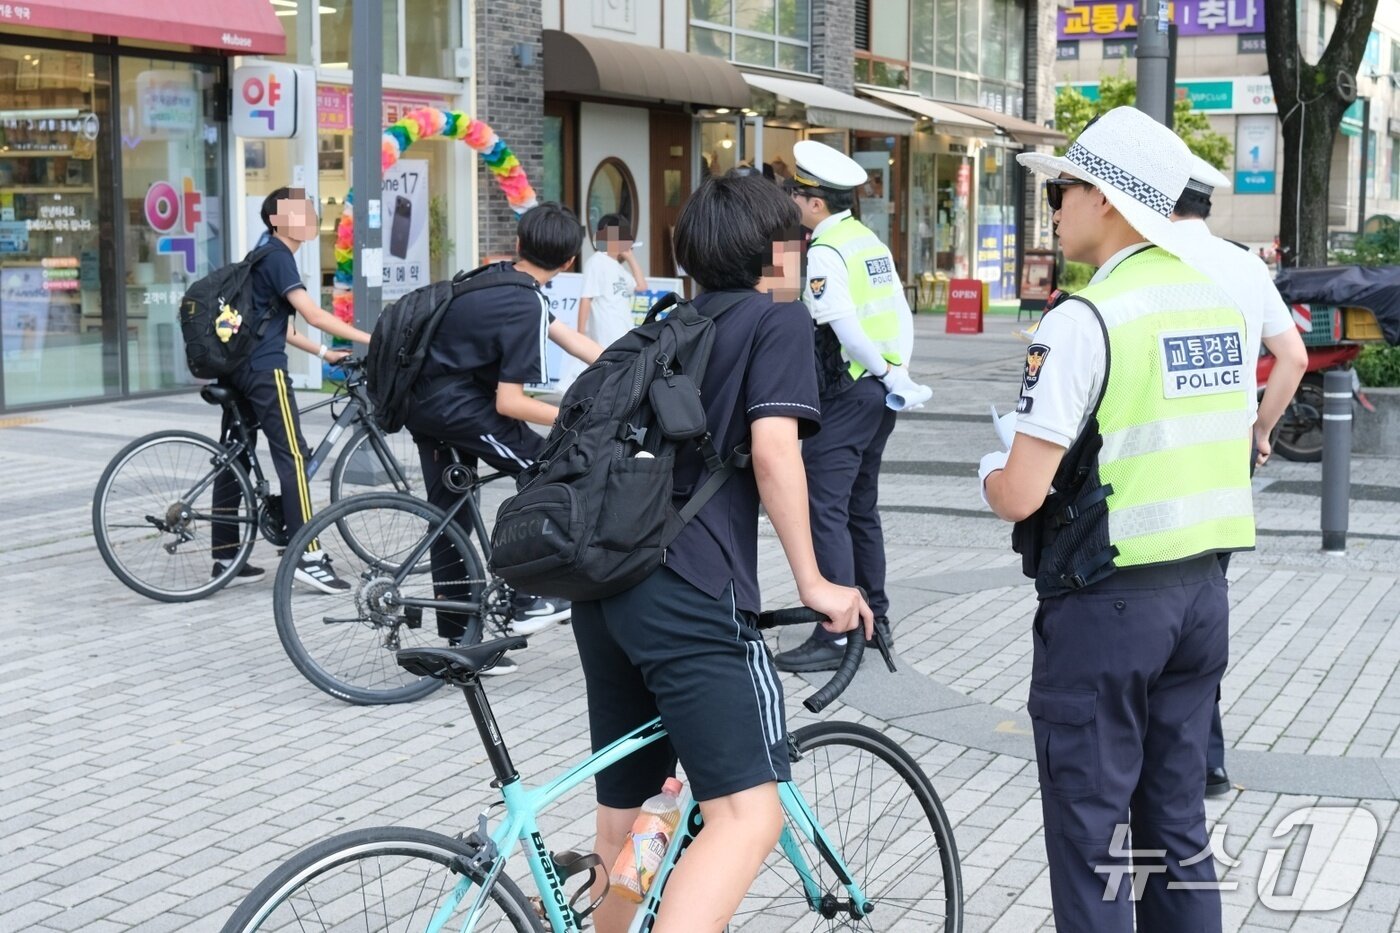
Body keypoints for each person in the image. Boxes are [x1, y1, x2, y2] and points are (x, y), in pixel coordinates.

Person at [573, 171, 872, 933]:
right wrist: (817, 581)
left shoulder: (667, 323)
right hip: (688, 592)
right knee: (746, 816)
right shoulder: (777, 322)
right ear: (780, 252)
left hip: (606, 588)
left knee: (628, 822)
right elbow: (775, 451)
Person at [981, 107, 1254, 933]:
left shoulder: (1084, 319)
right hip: (1202, 598)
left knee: (1093, 839)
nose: (1053, 209)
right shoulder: (1217, 300)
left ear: (1104, 198)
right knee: (1176, 829)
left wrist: (989, 470)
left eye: (1061, 190)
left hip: (1108, 609)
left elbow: (1022, 494)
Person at [404, 203, 602, 673]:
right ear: (570, 262)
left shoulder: (496, 278)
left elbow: (569, 338)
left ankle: (456, 643)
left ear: (518, 245)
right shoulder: (523, 300)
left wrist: (631, 366)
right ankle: (528, 597)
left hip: (425, 403)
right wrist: (568, 421)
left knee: (450, 517)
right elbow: (510, 403)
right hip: (454, 408)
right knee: (544, 471)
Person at [1173, 155, 1308, 797]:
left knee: (1154, 612)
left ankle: (1176, 758)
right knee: (1204, 608)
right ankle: (1208, 759)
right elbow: (1293, 356)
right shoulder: (1243, 266)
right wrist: (1260, 427)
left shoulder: (1147, 263)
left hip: (1157, 461)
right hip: (1225, 462)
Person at [773, 140, 929, 674]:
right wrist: (897, 372)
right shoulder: (869, 242)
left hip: (850, 389)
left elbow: (843, 326)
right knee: (860, 507)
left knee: (825, 506)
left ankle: (838, 634)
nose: (792, 200)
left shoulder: (825, 251)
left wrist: (883, 370)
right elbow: (901, 314)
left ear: (816, 203)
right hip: (880, 392)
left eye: (797, 193)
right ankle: (874, 616)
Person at [211, 187, 371, 593]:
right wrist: (369, 339)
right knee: (294, 456)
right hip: (265, 372)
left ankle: (226, 556)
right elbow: (313, 314)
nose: (310, 216)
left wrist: (321, 352)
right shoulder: (279, 257)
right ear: (277, 221)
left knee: (235, 458)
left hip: (238, 370)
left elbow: (275, 324)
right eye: (301, 210)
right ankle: (309, 556)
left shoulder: (259, 256)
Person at [557, 214, 648, 391]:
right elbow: (586, 298)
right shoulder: (596, 262)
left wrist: (630, 258)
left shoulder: (618, 268)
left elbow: (641, 286)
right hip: (605, 332)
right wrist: (581, 333)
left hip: (623, 330)